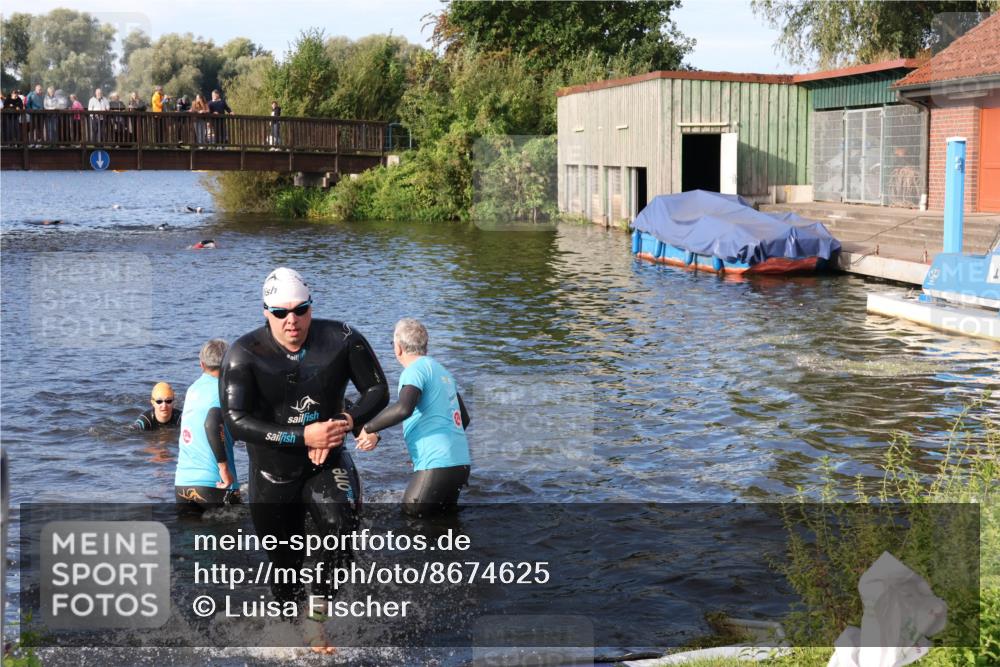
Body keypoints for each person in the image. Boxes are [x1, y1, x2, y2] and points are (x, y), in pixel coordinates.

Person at [220, 267, 388, 651]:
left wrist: (346, 421)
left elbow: (377, 389)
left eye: (300, 310)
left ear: (312, 307)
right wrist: (303, 435)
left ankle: (317, 622)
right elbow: (235, 421)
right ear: (266, 312)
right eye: (280, 313)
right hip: (272, 474)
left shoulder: (341, 338)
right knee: (285, 566)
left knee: (343, 526)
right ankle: (291, 631)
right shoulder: (243, 354)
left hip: (326, 463)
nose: (291, 321)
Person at [357, 319, 471, 516]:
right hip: (460, 464)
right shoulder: (443, 372)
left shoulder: (414, 371)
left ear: (398, 348)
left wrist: (368, 428)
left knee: (413, 521)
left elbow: (403, 409)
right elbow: (464, 419)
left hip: (437, 464)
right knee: (446, 527)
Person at [175, 339, 240, 509]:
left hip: (183, 483)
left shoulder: (192, 389)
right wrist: (224, 469)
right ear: (228, 363)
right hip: (215, 483)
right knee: (235, 534)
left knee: (190, 535)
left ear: (201, 364)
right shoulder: (226, 389)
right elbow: (212, 422)